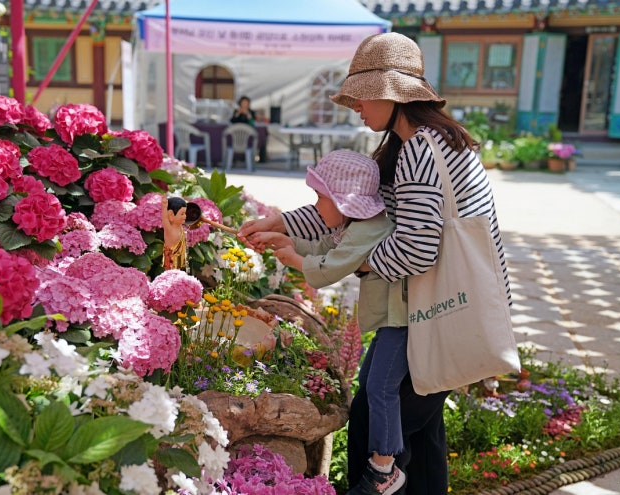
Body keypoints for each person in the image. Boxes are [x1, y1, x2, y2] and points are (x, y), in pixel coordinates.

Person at [239, 32, 510, 495]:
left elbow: (417, 249)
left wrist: (351, 264)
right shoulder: (414, 145)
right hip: (439, 310)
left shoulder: (421, 151)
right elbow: (354, 213)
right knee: (418, 433)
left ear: (390, 93)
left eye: (361, 98)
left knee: (377, 425)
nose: (356, 109)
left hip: (430, 315)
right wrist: (282, 223)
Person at [249, 149, 408, 494]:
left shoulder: (368, 230)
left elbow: (331, 268)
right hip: (392, 321)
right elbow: (325, 246)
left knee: (381, 387)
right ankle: (384, 464)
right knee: (372, 385)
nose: (317, 207)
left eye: (321, 198)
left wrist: (292, 258)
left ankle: (385, 470)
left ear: (344, 201)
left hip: (402, 323)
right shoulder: (358, 226)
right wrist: (288, 242)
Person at [161, 196, 188, 270]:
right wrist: (164, 207)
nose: (185, 216)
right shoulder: (169, 229)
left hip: (179, 261)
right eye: (182, 214)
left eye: (185, 213)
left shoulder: (180, 227)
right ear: (171, 215)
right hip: (170, 262)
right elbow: (165, 218)